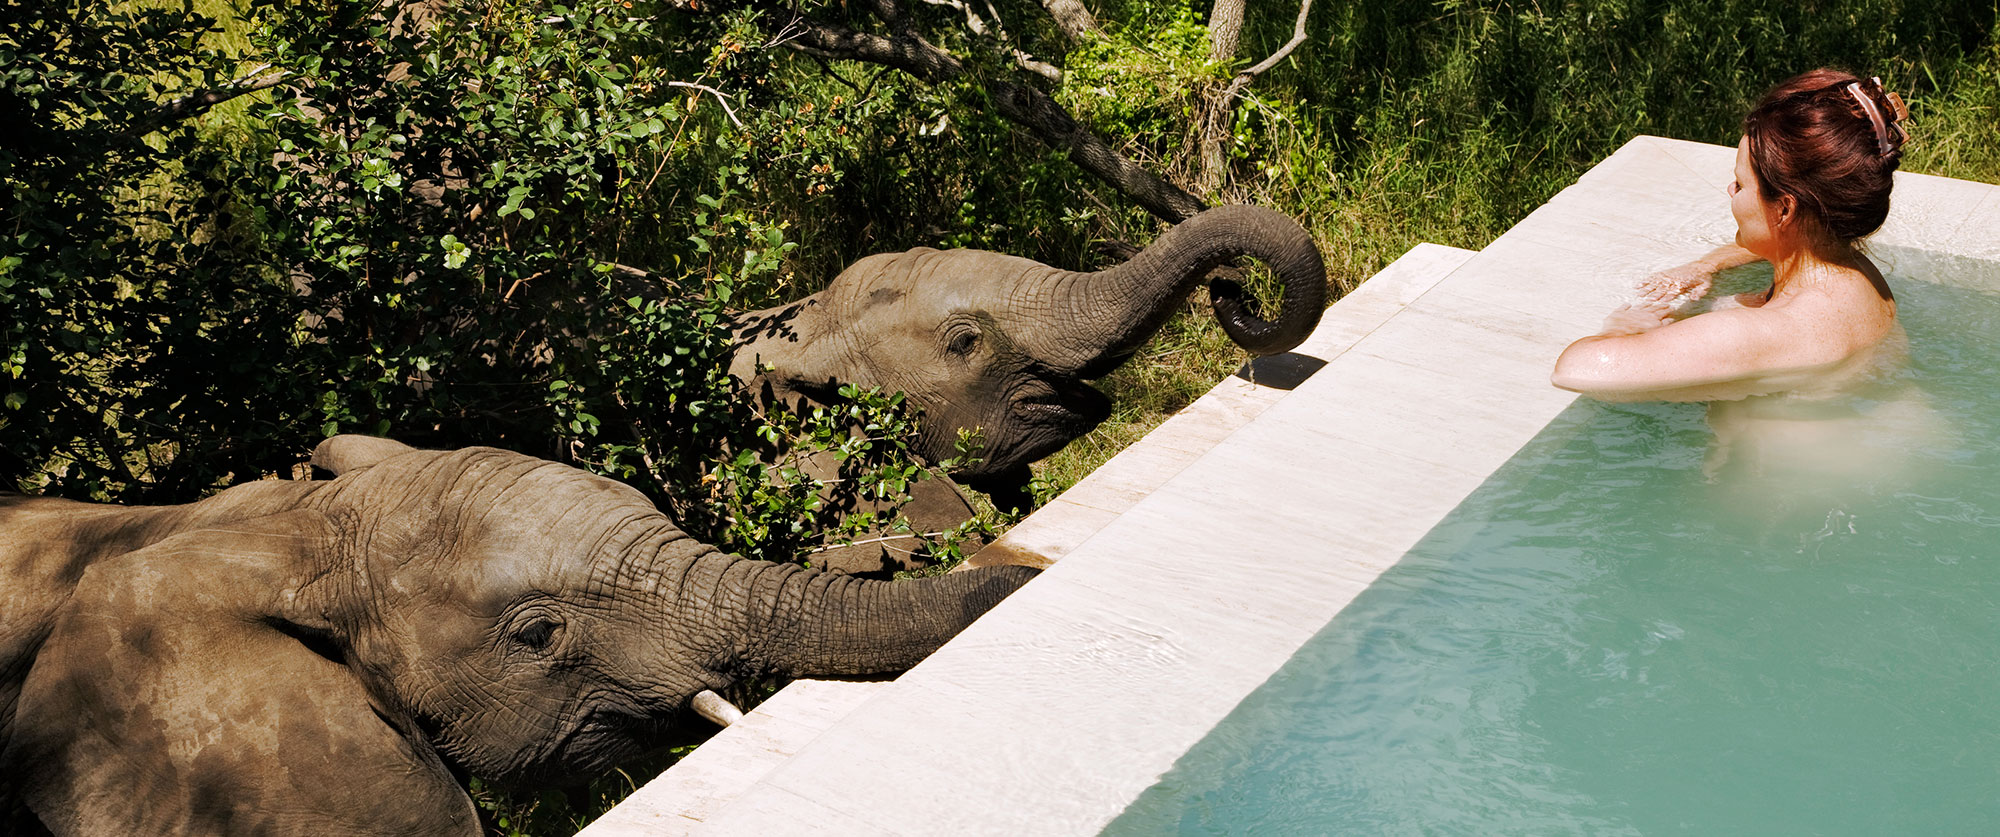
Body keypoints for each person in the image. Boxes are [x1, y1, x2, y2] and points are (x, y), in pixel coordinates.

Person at [1551, 69, 1911, 404]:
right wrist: (1706, 265)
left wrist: (1627, 329)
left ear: (1785, 209)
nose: (1729, 190)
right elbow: (1782, 242)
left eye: (1740, 184)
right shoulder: (1853, 271)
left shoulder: (1773, 329)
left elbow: (1576, 370)